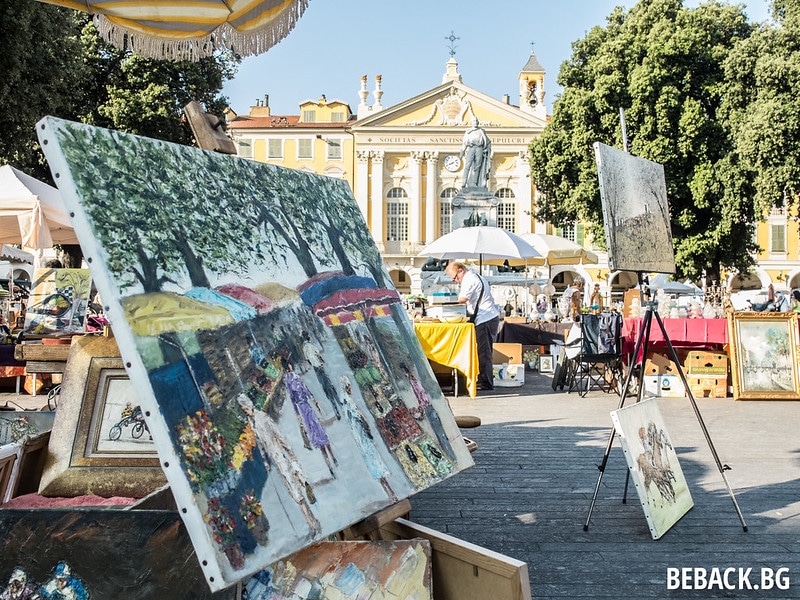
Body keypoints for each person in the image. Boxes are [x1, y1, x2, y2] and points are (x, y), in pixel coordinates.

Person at [444, 261, 501, 391]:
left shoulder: (469, 280)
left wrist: (444, 304)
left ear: (460, 270)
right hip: (489, 317)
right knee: (483, 351)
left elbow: (462, 300)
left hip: (484, 319)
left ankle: (485, 382)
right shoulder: (478, 277)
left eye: (455, 277)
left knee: (484, 352)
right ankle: (482, 379)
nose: (455, 281)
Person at [459, 117, 492, 189]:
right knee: (467, 165)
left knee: (477, 166)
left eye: (477, 121)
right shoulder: (468, 132)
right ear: (471, 122)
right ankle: (464, 182)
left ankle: (474, 183)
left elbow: (488, 142)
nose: (476, 122)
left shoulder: (481, 131)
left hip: (479, 148)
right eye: (474, 121)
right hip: (471, 148)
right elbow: (464, 143)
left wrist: (487, 149)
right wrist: (461, 153)